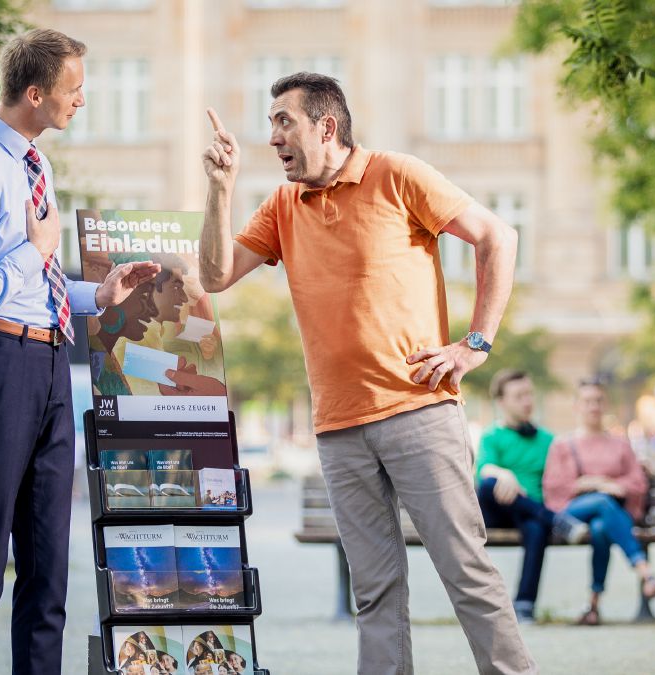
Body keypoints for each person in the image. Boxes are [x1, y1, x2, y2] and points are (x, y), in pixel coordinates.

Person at [199, 72, 535, 674]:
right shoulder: (282, 205)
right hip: (338, 427)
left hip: (418, 411)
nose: (272, 135)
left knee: (467, 574)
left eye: (283, 121)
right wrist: (220, 189)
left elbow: (496, 236)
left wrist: (474, 345)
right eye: (270, 122)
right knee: (375, 592)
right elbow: (216, 275)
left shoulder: (397, 175)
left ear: (326, 126)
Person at [0, 29, 159, 675]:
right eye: (73, 89)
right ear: (35, 94)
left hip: (52, 362)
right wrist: (37, 251)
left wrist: (96, 294)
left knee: (48, 565)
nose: (81, 100)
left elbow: (33, 279)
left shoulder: (34, 162)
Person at [542, 379, 655, 626]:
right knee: (600, 501)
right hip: (573, 514)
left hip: (609, 515)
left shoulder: (619, 444)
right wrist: (594, 484)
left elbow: (637, 482)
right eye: (587, 401)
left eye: (598, 400)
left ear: (605, 404)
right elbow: (554, 487)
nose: (593, 406)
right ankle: (645, 571)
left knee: (601, 528)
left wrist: (615, 486)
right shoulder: (563, 445)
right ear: (577, 406)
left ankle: (593, 606)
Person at [476, 370, 588, 624]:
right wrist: (505, 474)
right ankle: (556, 520)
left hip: (530, 513)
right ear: (502, 402)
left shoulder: (549, 440)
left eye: (529, 394)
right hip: (496, 512)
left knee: (537, 528)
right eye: (519, 396)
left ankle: (525, 604)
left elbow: (574, 472)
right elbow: (484, 470)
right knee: (489, 484)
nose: (527, 401)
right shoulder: (492, 436)